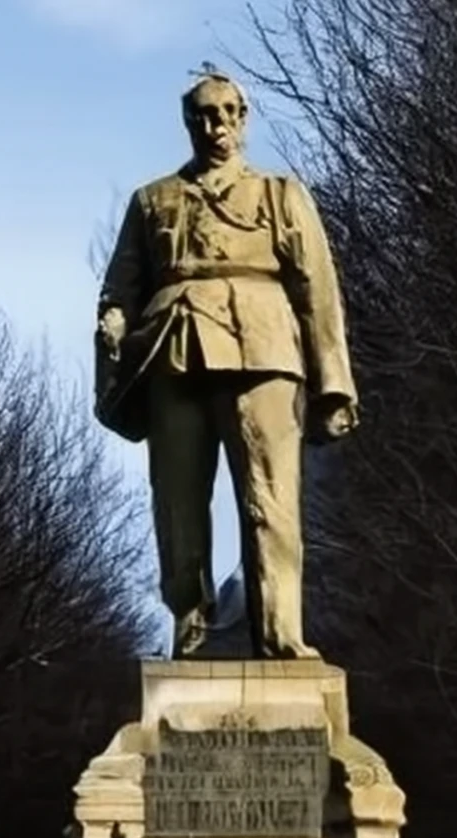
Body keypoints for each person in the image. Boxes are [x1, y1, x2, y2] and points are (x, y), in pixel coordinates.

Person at [94, 69, 358, 659]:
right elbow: (121, 287)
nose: (216, 126)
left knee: (271, 497)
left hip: (263, 348)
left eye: (226, 114)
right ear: (188, 123)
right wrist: (113, 322)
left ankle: (280, 632)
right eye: (203, 116)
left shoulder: (280, 194)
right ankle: (190, 626)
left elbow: (318, 290)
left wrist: (333, 384)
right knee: (178, 499)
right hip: (175, 348)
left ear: (243, 118)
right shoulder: (152, 200)